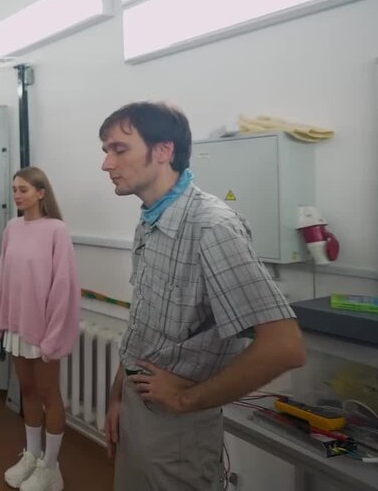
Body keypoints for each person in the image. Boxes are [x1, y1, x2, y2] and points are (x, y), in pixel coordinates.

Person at [98, 102, 306, 490]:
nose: (106, 164)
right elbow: (143, 325)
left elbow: (284, 346)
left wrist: (186, 400)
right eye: (106, 150)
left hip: (178, 428)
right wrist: (118, 397)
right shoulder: (151, 220)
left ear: (163, 150)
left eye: (119, 149)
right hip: (138, 406)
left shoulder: (212, 227)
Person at [0, 167, 80, 491]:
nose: (17, 195)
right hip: (17, 325)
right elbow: (3, 275)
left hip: (44, 329)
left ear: (41, 193)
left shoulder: (56, 230)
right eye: (14, 189)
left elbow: (64, 285)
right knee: (27, 391)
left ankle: (51, 468)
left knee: (49, 394)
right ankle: (33, 455)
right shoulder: (12, 228)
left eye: (23, 189)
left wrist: (55, 334)